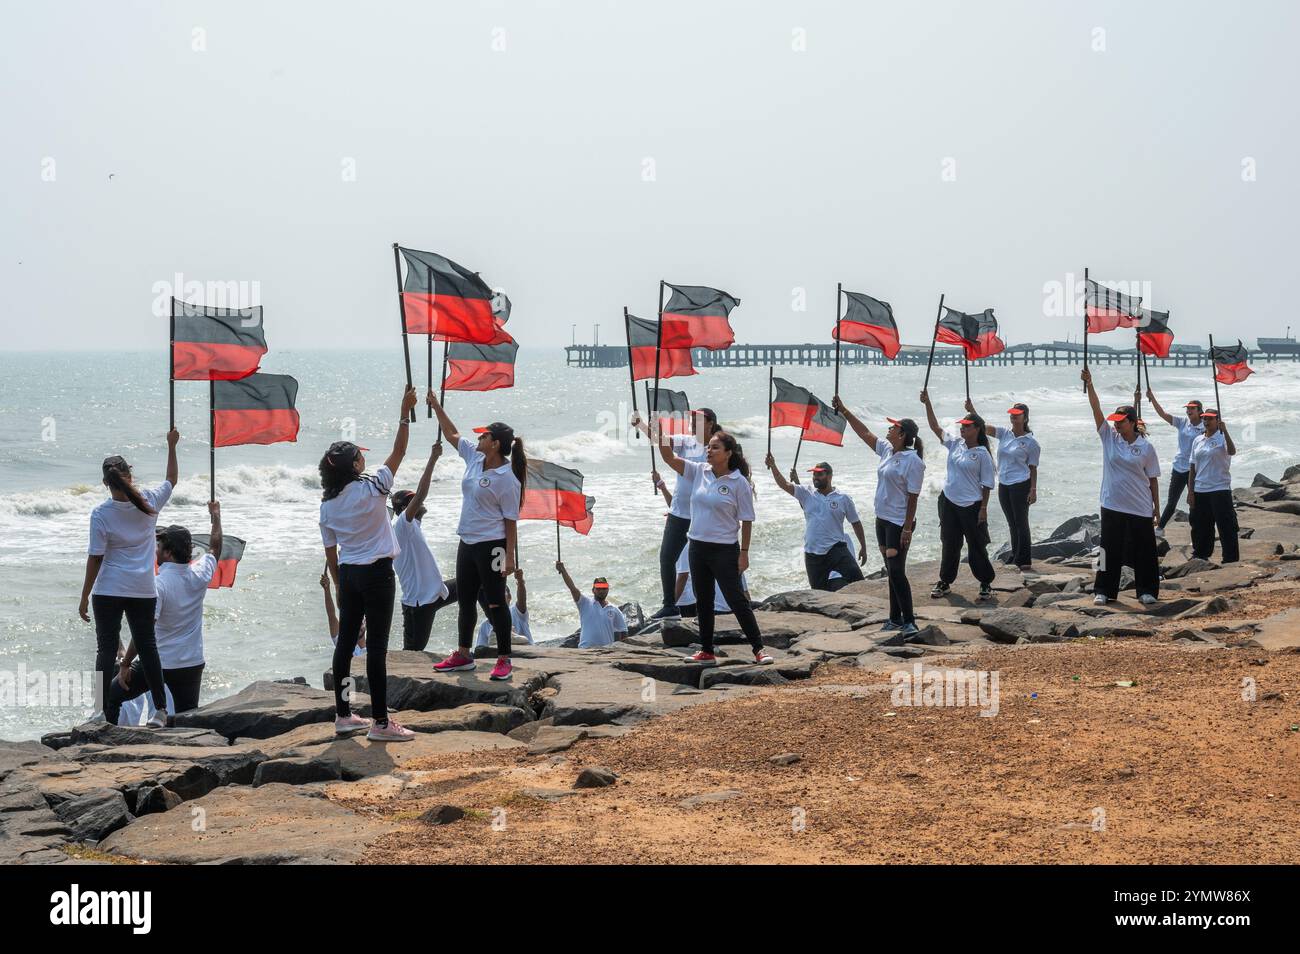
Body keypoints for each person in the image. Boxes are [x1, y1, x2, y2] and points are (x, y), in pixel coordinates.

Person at [319, 385, 419, 742]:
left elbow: (332, 554)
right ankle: (380, 723)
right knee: (376, 648)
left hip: (348, 575)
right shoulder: (374, 485)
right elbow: (400, 451)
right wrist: (404, 411)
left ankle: (344, 715)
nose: (364, 460)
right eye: (359, 457)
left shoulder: (327, 505)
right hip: (377, 574)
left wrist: (341, 586)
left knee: (345, 644)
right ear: (355, 465)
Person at [79, 430, 179, 727]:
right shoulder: (149, 501)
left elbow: (96, 557)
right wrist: (171, 446)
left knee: (106, 649)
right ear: (129, 475)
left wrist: (84, 596)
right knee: (148, 647)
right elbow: (172, 479)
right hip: (142, 588)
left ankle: (99, 712)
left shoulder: (101, 514)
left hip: (108, 589)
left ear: (105, 483)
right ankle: (160, 711)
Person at [426, 390, 526, 680]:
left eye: (484, 436)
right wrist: (437, 406)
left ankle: (504, 658)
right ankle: (463, 654)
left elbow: (510, 522)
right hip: (467, 542)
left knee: (495, 601)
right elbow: (452, 434)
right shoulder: (474, 457)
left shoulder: (507, 478)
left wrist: (509, 556)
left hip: (492, 545)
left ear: (495, 444)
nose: (478, 439)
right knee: (466, 600)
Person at [658, 429, 774, 666]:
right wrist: (657, 433)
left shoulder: (738, 482)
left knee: (736, 599)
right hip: (697, 547)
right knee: (703, 600)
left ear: (728, 453)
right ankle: (707, 650)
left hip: (724, 549)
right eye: (708, 447)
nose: (709, 451)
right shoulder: (699, 471)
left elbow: (747, 520)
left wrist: (744, 553)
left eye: (715, 448)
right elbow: (669, 458)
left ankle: (758, 648)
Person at [105, 500, 221, 724]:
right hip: (191, 663)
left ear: (168, 552)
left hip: (161, 665)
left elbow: (144, 632)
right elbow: (215, 548)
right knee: (187, 718)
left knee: (112, 694)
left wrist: (126, 663)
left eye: (158, 547)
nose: (155, 550)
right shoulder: (200, 574)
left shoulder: (159, 585)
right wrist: (216, 516)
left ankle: (107, 741)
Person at [836, 398, 926, 636]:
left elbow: (913, 498)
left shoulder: (913, 461)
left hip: (899, 523)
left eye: (893, 427)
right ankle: (894, 618)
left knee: (896, 570)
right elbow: (864, 432)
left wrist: (907, 528)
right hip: (882, 519)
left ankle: (909, 621)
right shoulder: (887, 450)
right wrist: (845, 410)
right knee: (890, 570)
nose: (888, 429)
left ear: (902, 434)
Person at [633, 407, 721, 621]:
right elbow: (662, 444)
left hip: (704, 514)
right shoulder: (687, 441)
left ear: (710, 423)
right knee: (667, 558)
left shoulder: (716, 446)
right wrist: (643, 424)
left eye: (697, 419)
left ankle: (712, 606)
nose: (692, 422)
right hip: (679, 512)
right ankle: (670, 605)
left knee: (706, 563)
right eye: (691, 418)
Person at [1082, 368, 1162, 604]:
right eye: (1115, 421)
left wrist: (1157, 509)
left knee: (1144, 550)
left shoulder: (1146, 448)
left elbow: (1153, 480)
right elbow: (1096, 409)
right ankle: (1104, 591)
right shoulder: (1109, 438)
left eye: (1121, 422)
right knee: (1108, 550)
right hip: (1112, 503)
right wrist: (1090, 384)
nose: (1116, 425)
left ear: (1132, 422)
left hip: (1139, 506)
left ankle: (1146, 590)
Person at [920, 390, 996, 600]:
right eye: (961, 425)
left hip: (972, 505)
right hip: (949, 502)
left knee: (976, 545)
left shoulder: (982, 454)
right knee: (950, 543)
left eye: (967, 426)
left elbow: (987, 484)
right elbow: (935, 427)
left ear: (977, 429)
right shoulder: (956, 444)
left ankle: (985, 582)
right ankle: (945, 581)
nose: (962, 428)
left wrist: (983, 509)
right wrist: (927, 403)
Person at [390, 443, 459, 651]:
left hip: (437, 592)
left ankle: (496, 632)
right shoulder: (402, 524)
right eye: (411, 502)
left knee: (478, 581)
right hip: (418, 604)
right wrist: (433, 459)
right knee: (412, 653)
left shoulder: (413, 526)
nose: (417, 503)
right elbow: (421, 494)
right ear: (404, 508)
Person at [763, 455, 866, 591]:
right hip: (813, 554)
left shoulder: (843, 499)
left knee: (859, 583)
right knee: (818, 592)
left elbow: (856, 523)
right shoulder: (806, 493)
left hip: (836, 549)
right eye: (814, 474)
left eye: (819, 474)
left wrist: (863, 547)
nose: (815, 477)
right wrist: (773, 466)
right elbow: (784, 484)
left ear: (829, 476)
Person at [968, 399, 1041, 570]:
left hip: (1021, 484)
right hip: (1004, 484)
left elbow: (1033, 468)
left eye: (1017, 415)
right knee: (1011, 522)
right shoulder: (1004, 433)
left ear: (1025, 418)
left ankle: (1024, 560)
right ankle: (1015, 555)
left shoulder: (1031, 443)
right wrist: (972, 410)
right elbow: (984, 428)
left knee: (1021, 522)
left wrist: (1033, 489)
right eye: (1012, 415)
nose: (1013, 418)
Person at [1146, 388, 1205, 537]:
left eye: (1192, 409)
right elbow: (1163, 414)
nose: (1189, 411)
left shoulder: (1205, 427)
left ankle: (1196, 534)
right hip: (1179, 468)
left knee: (1194, 504)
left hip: (1196, 470)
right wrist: (1152, 398)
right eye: (1188, 409)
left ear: (1199, 411)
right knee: (1172, 501)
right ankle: (1160, 528)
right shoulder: (1182, 422)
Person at [1188, 409, 1239, 563]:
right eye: (1204, 418)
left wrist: (1226, 432)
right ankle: (1201, 554)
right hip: (1201, 488)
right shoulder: (1198, 440)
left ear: (1217, 421)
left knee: (1226, 525)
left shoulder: (1222, 437)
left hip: (1219, 488)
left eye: (1210, 419)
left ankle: (1230, 557)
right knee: (1201, 525)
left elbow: (1232, 451)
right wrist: (1190, 491)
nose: (1206, 421)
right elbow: (1192, 466)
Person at [555, 564, 628, 647]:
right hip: (585, 650)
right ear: (593, 590)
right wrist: (563, 570)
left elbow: (623, 631)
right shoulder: (584, 603)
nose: (601, 591)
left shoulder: (614, 610)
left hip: (606, 652)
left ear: (608, 590)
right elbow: (572, 588)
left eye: (604, 588)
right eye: (598, 588)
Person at [674, 545, 750, 617]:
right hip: (733, 608)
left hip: (712, 608)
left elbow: (682, 577)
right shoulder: (732, 550)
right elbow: (744, 592)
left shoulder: (689, 546)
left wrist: (670, 605)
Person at [473, 570, 533, 648]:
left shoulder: (515, 612)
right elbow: (480, 649)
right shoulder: (485, 626)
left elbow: (522, 600)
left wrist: (520, 581)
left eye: (501, 592)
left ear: (509, 597)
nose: (497, 596)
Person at [322, 566, 366, 657]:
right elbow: (331, 615)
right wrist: (327, 589)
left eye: (361, 622)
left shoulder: (374, 647)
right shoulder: (341, 643)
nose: (358, 624)